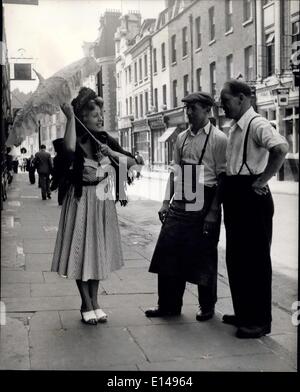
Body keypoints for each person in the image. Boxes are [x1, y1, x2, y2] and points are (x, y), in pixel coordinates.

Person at [51, 87, 137, 325]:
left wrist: (111, 154)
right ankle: (86, 304)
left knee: (96, 253)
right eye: (95, 114)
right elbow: (68, 151)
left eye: (102, 113)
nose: (101, 117)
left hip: (101, 202)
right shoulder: (75, 139)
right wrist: (70, 118)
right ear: (82, 117)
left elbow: (132, 163)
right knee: (80, 252)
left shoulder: (106, 140)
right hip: (80, 201)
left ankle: (95, 302)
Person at [145, 92, 227, 321]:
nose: (189, 112)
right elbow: (175, 173)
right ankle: (168, 305)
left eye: (194, 108)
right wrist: (165, 202)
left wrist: (213, 211)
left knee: (204, 254)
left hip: (205, 197)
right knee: (168, 251)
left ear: (207, 110)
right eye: (187, 107)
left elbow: (222, 178)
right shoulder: (181, 138)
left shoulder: (219, 139)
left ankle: (207, 306)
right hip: (181, 199)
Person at [220, 79, 289, 339]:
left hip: (252, 196)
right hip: (236, 194)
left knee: (256, 261)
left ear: (241, 98)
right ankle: (244, 313)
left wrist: (262, 180)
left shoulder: (257, 123)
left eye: (226, 100)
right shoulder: (235, 128)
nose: (222, 105)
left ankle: (259, 321)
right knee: (236, 258)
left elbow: (281, 148)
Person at [50, 138, 72, 205]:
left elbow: (56, 172)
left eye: (55, 147)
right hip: (70, 180)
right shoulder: (70, 155)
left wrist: (54, 183)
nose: (55, 149)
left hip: (63, 180)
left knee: (62, 200)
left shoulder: (57, 158)